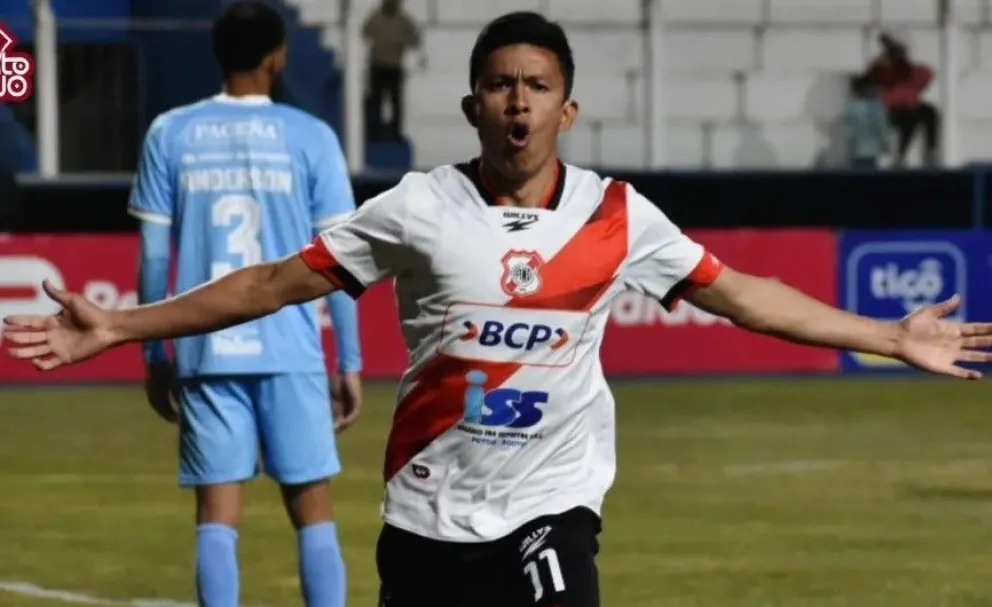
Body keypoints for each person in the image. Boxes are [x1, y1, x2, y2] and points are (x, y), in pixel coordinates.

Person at [6, 11, 992, 607]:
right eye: (498, 86)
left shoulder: (616, 216)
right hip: (425, 518)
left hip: (548, 513)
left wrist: (882, 334)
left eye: (537, 87)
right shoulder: (418, 209)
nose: (517, 103)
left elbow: (740, 294)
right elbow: (272, 284)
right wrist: (122, 322)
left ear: (568, 108)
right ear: (472, 104)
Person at [126, 3, 362, 607]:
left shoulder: (169, 132)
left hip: (207, 348)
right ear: (277, 56)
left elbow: (154, 259)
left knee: (216, 514)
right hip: (291, 349)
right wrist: (350, 361)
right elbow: (339, 258)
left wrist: (155, 350)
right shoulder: (311, 136)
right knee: (312, 509)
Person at [866, 33, 940, 168]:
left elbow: (927, 75)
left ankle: (931, 151)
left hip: (912, 109)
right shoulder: (882, 70)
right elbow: (872, 74)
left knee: (930, 112)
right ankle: (901, 155)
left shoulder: (912, 72)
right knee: (910, 118)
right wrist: (886, 57)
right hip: (892, 112)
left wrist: (905, 58)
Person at [362, 0, 422, 141]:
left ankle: (395, 133)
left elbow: (415, 39)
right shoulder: (376, 17)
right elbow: (365, 32)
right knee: (376, 102)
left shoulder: (404, 20)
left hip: (394, 67)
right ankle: (373, 133)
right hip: (377, 66)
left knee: (396, 103)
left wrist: (401, 42)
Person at [843, 74, 889, 169]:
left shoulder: (851, 107)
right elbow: (881, 127)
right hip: (871, 149)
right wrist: (885, 144)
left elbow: (847, 130)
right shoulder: (877, 107)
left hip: (855, 151)